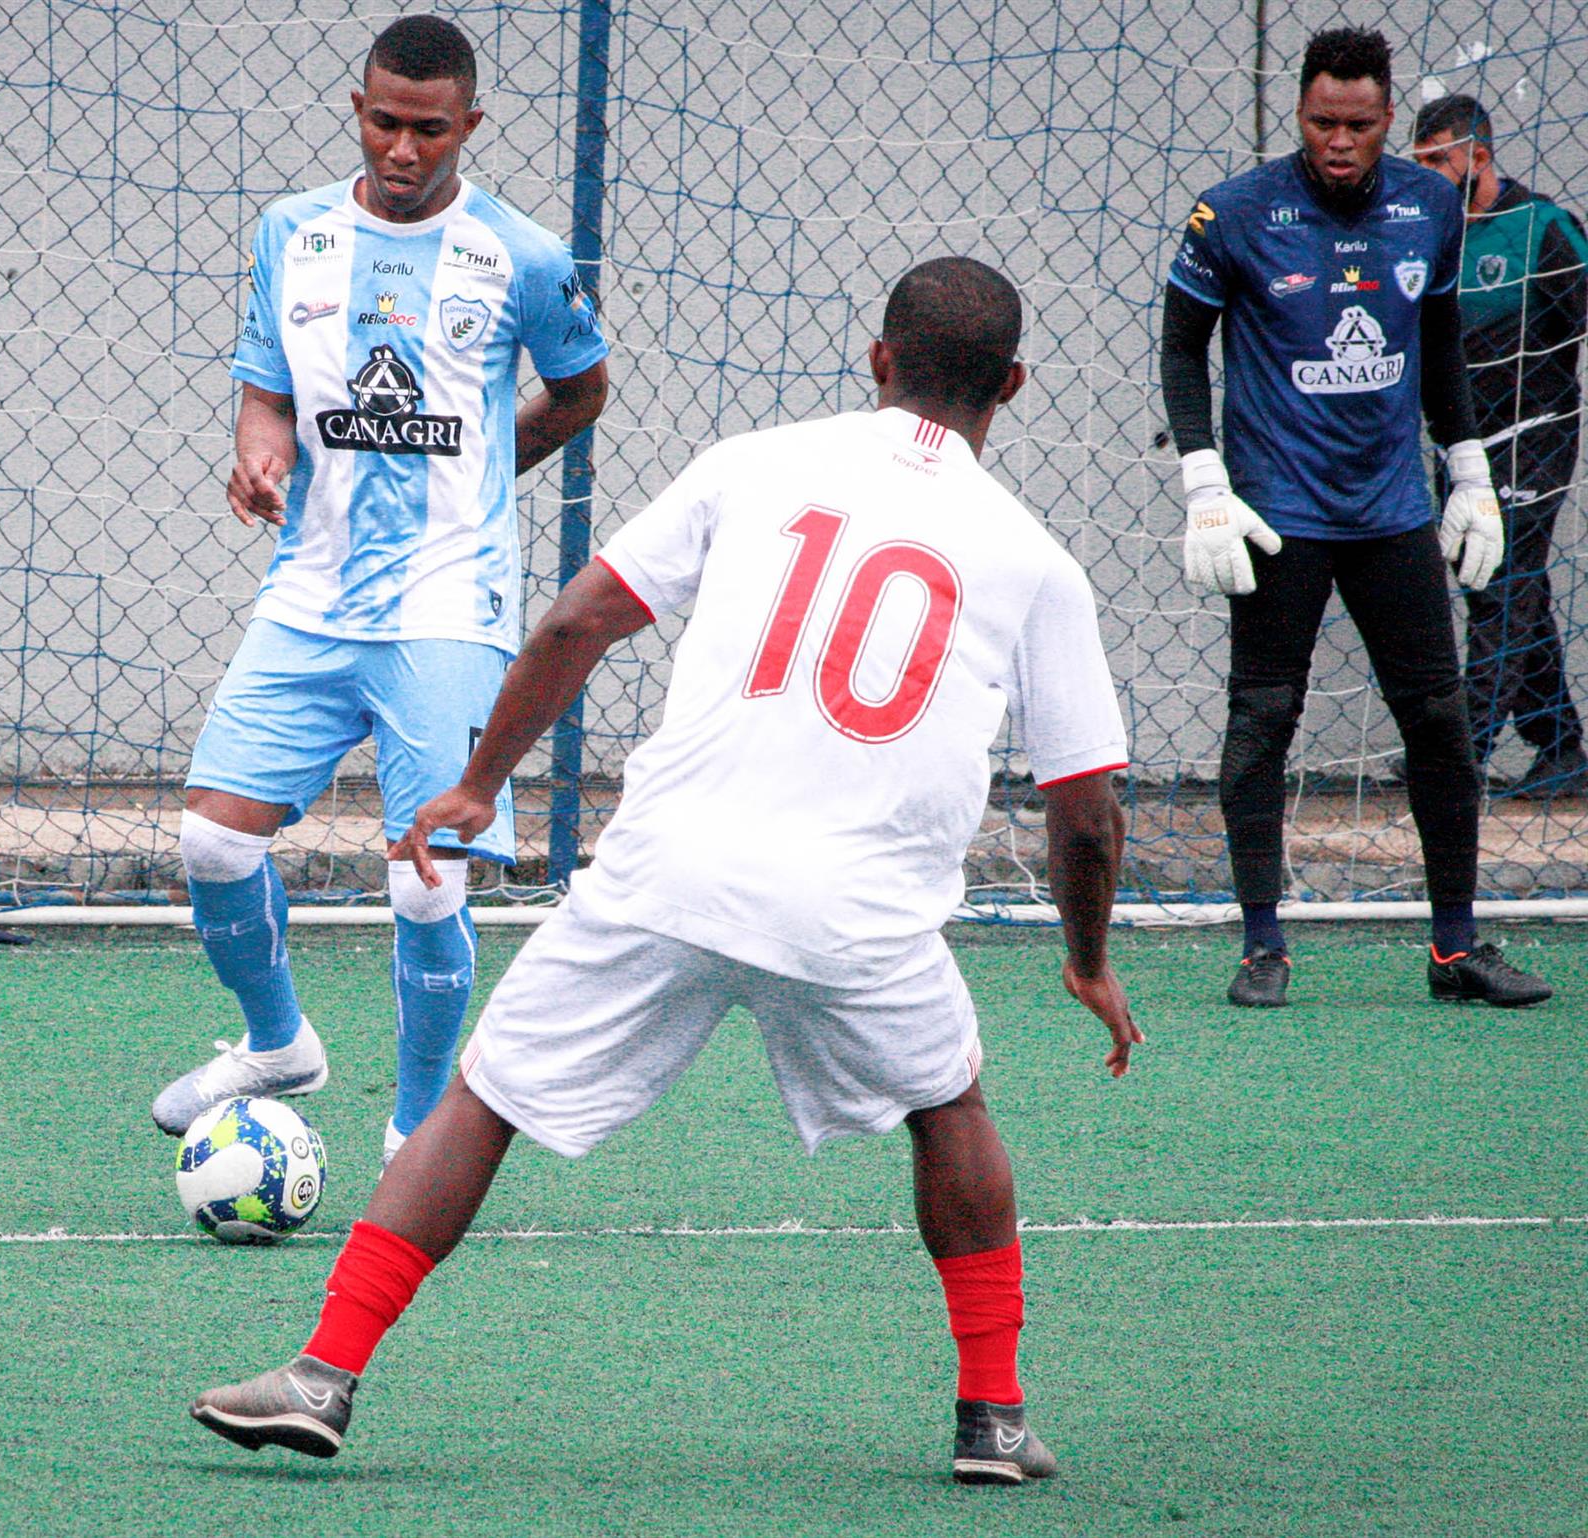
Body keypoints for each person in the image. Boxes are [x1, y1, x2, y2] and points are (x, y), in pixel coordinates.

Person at [186, 257, 1146, 1487]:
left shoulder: (752, 463)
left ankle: (322, 1373)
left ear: (877, 362)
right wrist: (1086, 959)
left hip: (670, 866)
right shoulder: (1034, 560)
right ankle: (993, 1420)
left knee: (482, 1095)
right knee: (948, 1105)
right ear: (1011, 384)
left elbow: (575, 619)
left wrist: (479, 784)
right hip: (855, 914)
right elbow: (1085, 809)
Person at [151, 15, 611, 1155]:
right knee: (212, 841)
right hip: (308, 592)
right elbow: (265, 386)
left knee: (424, 879)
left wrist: (486, 470)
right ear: (357, 110)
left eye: (429, 130)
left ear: (469, 127)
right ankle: (276, 1042)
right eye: (384, 123)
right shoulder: (288, 233)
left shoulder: (524, 256)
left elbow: (581, 388)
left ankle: (415, 1130)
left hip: (449, 605)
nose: (403, 150)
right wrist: (259, 449)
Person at [1159, 26, 1550, 1008]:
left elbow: (1437, 340)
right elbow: (1178, 351)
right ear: (1299, 114)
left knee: (1437, 718)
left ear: (1387, 119)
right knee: (1261, 719)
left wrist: (1467, 473)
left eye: (1359, 124)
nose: (1338, 141)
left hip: (1387, 513)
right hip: (1275, 513)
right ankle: (1259, 945)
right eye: (1320, 122)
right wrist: (1202, 482)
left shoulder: (1428, 203)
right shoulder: (1231, 214)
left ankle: (1454, 951)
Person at [1413, 94, 1588, 799]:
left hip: (1535, 435)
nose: (1427, 173)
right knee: (1503, 585)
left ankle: (1460, 753)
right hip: (1462, 443)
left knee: (1501, 584)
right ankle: (1562, 747)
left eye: (1438, 160)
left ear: (1477, 157)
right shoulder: (1433, 236)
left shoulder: (1541, 226)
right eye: (1418, 161)